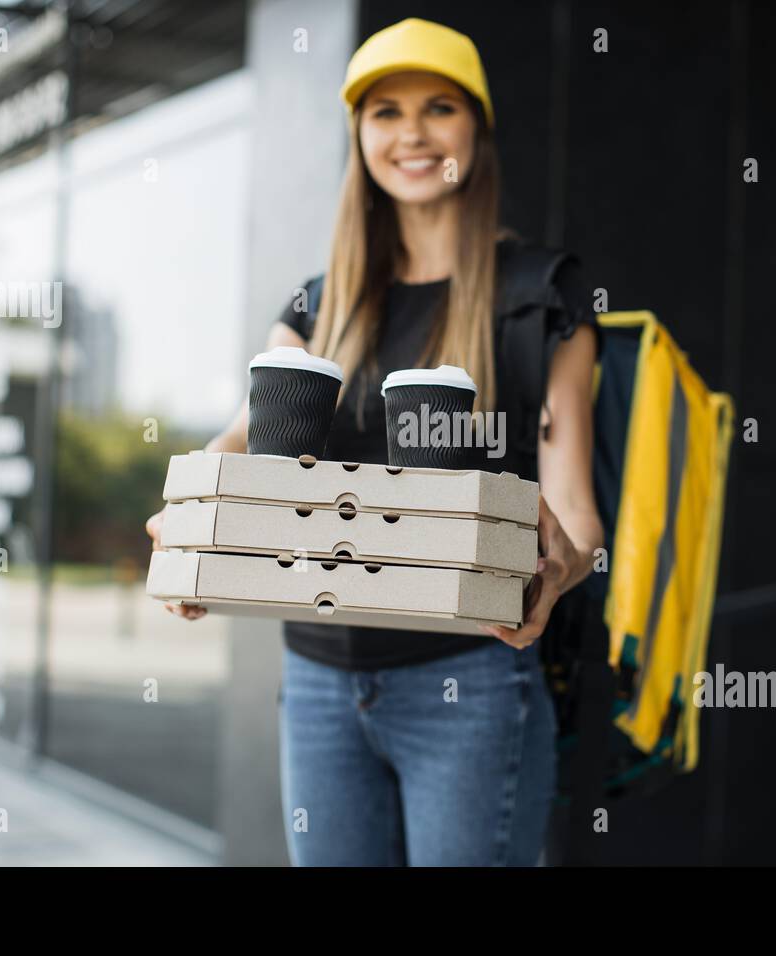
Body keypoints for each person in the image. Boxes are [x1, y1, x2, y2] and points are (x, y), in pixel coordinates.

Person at [145, 17, 603, 866]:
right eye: (384, 112)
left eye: (439, 108)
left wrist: (556, 569)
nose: (413, 134)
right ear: (360, 136)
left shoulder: (543, 294)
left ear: (478, 133)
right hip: (317, 684)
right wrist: (186, 523)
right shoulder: (318, 305)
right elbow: (235, 451)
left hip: (468, 682)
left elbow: (574, 505)